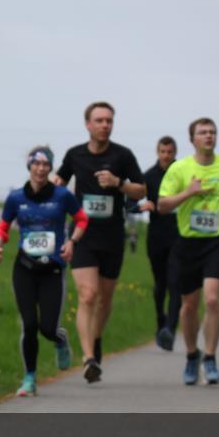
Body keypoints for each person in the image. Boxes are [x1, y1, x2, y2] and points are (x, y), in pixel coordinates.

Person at [53, 102, 145, 383]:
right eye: (99, 120)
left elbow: (141, 189)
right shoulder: (75, 155)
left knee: (105, 299)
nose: (105, 125)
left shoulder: (123, 155)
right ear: (88, 124)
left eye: (109, 120)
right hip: (83, 235)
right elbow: (60, 181)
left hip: (112, 236)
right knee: (88, 295)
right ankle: (89, 357)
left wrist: (118, 183)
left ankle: (97, 337)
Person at [0, 146, 88, 396]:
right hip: (24, 268)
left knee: (47, 327)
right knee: (30, 324)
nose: (41, 169)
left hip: (52, 269)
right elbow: (3, 226)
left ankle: (59, 339)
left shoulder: (62, 195)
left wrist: (72, 242)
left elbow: (82, 219)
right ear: (30, 166)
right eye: (37, 164)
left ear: (50, 168)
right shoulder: (15, 198)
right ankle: (29, 378)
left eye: (46, 165)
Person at [158, 117, 219, 385]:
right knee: (188, 306)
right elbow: (162, 205)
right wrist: (188, 192)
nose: (209, 136)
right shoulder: (179, 169)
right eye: (203, 132)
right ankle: (192, 355)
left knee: (212, 299)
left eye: (213, 132)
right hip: (189, 243)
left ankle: (210, 357)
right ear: (192, 139)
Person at [127, 136, 182, 351]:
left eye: (170, 152)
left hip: (180, 236)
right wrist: (142, 206)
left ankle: (170, 329)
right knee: (161, 285)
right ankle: (161, 320)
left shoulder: (184, 174)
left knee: (175, 283)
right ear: (157, 152)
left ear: (175, 152)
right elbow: (130, 204)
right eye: (163, 152)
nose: (166, 156)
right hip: (157, 237)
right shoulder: (148, 176)